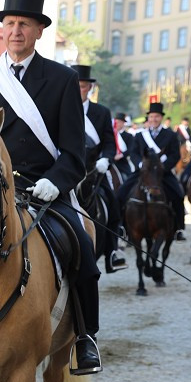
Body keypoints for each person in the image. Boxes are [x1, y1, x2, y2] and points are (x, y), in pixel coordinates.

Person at [0, 0, 101, 374]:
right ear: (2, 28)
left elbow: (74, 152)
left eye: (25, 24)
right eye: (11, 23)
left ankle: (85, 337)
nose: (16, 30)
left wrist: (57, 180)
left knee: (82, 248)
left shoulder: (62, 80)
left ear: (39, 31)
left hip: (42, 191)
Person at [74, 64, 125, 272]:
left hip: (94, 170)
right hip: (69, 170)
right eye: (75, 86)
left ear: (90, 88)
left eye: (83, 86)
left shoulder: (101, 112)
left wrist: (106, 159)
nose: (79, 90)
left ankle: (112, 252)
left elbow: (109, 143)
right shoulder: (60, 109)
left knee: (112, 203)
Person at [117, 101, 186, 242]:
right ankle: (122, 226)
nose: (154, 119)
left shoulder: (171, 135)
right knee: (122, 192)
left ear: (161, 118)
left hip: (162, 173)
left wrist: (163, 167)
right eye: (152, 116)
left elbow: (175, 155)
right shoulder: (140, 136)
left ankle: (178, 228)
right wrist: (142, 165)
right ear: (148, 118)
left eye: (157, 117)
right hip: (143, 172)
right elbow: (134, 153)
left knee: (178, 195)